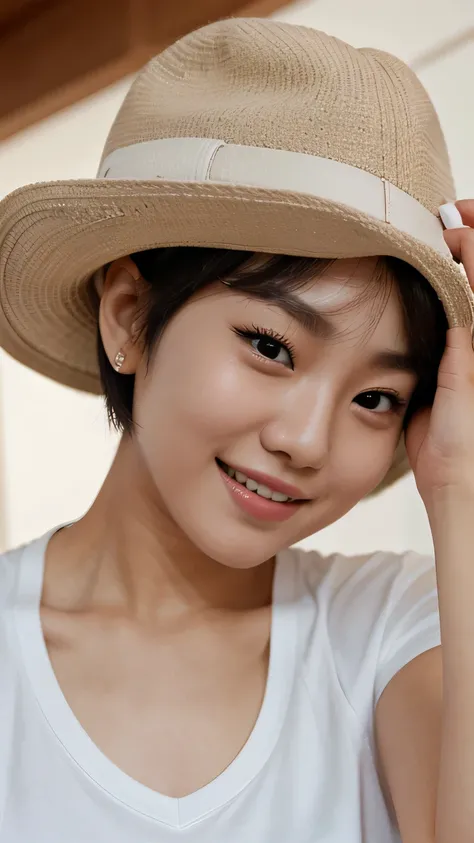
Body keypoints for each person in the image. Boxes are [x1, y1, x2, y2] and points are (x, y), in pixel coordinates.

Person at [0, 16, 474, 843]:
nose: (309, 440)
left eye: (378, 397)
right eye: (271, 346)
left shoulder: (394, 632)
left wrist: (464, 490)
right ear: (129, 315)